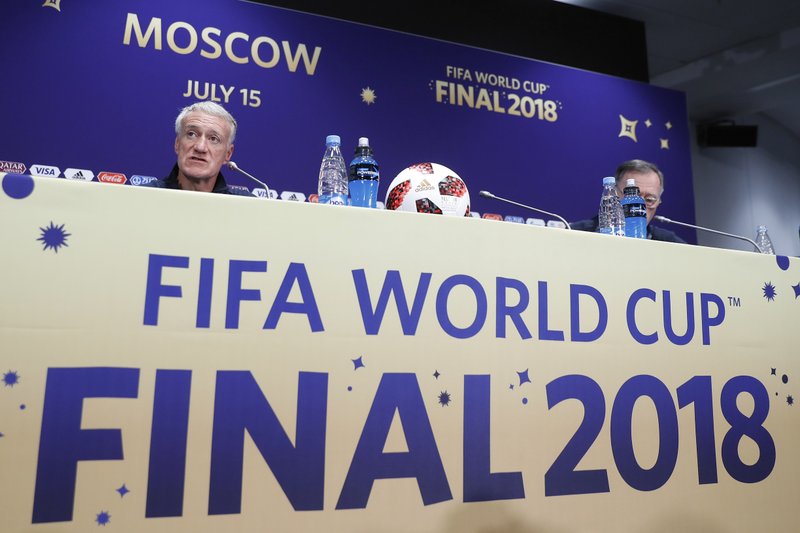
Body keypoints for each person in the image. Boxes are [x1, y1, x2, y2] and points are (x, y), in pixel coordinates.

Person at [147, 101, 251, 195]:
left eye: (213, 139)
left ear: (227, 154)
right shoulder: (142, 196)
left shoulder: (250, 206)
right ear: (177, 144)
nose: (200, 147)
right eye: (191, 134)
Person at [571, 159, 686, 243]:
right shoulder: (577, 233)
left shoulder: (670, 243)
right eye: (631, 195)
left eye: (649, 199)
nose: (638, 206)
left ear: (658, 202)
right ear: (613, 194)